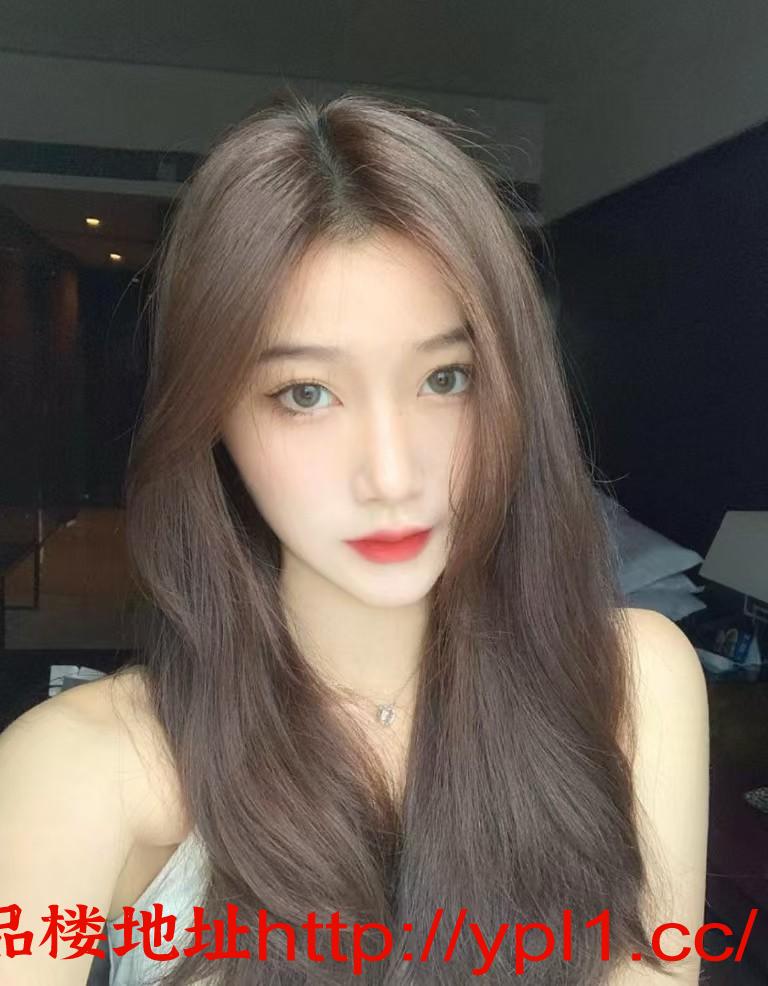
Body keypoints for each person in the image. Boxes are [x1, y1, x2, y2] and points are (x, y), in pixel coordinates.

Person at [0, 89, 708, 986]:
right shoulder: (82, 767)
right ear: (212, 415)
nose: (393, 475)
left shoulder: (634, 684)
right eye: (306, 394)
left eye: (446, 378)